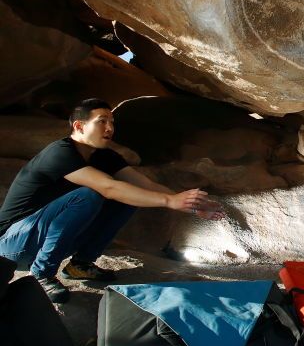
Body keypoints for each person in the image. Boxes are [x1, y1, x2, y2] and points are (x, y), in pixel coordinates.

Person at [0, 99, 225, 303]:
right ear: (79, 126)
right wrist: (169, 201)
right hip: (12, 244)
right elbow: (109, 187)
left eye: (112, 122)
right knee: (89, 195)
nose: (110, 128)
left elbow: (143, 184)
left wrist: (190, 205)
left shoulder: (104, 156)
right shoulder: (59, 153)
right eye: (102, 121)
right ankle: (41, 275)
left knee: (129, 194)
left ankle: (81, 264)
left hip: (44, 238)